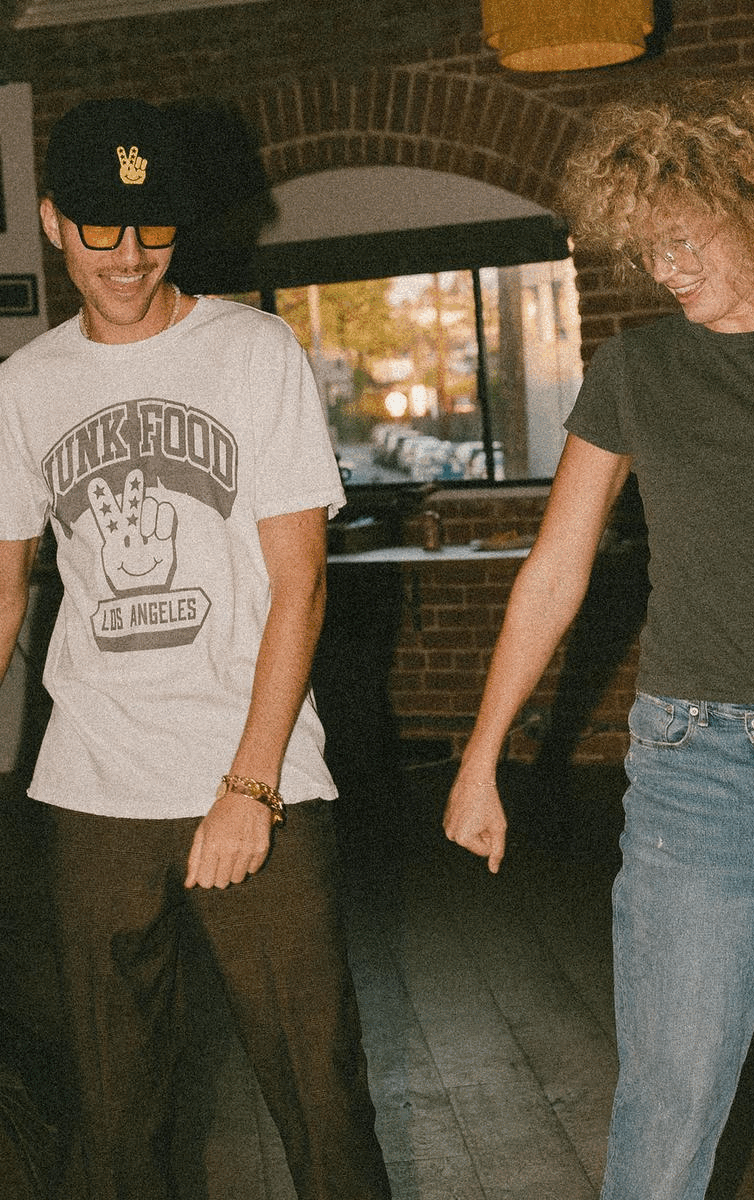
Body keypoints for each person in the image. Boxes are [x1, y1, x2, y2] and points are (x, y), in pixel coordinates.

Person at [443, 76, 754, 1199]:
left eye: (686, 240)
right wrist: (481, 756)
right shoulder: (634, 370)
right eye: (648, 246)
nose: (665, 269)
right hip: (694, 767)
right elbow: (555, 570)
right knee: (668, 1108)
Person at [0, 98, 391, 1200]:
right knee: (115, 1113)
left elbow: (300, 584)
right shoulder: (24, 386)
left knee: (321, 1094)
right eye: (101, 229)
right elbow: (4, 595)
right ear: (51, 221)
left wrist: (250, 786)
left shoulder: (253, 352)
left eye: (154, 228)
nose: (129, 257)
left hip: (256, 773)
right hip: (93, 785)